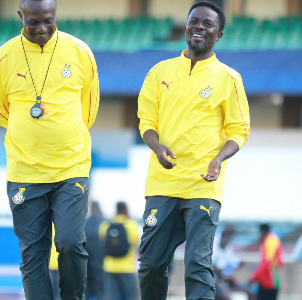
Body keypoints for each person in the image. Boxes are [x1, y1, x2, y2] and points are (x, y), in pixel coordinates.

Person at [136, 1, 251, 299]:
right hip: (162, 183)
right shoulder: (159, 72)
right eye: (194, 21)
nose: (199, 26)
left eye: (208, 24)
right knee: (150, 263)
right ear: (185, 27)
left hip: (203, 184)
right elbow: (146, 121)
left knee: (197, 264)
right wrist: (157, 147)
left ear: (219, 35)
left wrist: (218, 159)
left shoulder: (229, 79)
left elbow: (239, 130)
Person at [0, 0, 100, 298]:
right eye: (33, 22)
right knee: (33, 255)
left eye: (48, 21)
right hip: (25, 171)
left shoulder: (79, 52)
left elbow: (89, 110)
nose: (41, 29)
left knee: (71, 243)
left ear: (56, 15)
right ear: (20, 16)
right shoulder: (2, 58)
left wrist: (60, 134)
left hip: (70, 167)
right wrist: (32, 133)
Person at [99, 201, 140, 300]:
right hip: (127, 267)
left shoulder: (105, 225)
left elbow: (102, 238)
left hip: (109, 266)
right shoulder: (131, 225)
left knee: (112, 296)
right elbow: (136, 241)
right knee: (131, 296)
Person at [251, 224, 284, 300]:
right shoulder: (271, 239)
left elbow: (268, 261)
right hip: (268, 280)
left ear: (262, 231)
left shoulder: (270, 241)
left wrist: (255, 275)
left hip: (270, 280)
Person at [212, 225, 242, 300]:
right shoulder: (215, 250)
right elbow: (211, 267)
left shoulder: (227, 250)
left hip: (224, 279)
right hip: (216, 280)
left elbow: (233, 263)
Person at [86, 201, 105, 300]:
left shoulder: (86, 222)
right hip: (99, 256)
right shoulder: (102, 222)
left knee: (88, 281)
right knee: (99, 281)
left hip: (87, 256)